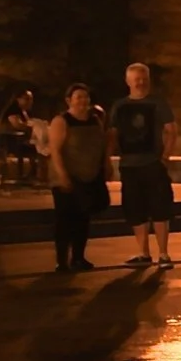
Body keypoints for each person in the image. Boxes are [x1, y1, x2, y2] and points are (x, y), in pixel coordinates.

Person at [109, 63, 178, 268]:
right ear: (128, 81)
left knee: (160, 207)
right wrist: (108, 158)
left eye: (144, 78)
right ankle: (143, 253)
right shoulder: (119, 106)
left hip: (152, 163)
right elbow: (112, 134)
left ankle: (163, 254)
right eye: (136, 79)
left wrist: (165, 157)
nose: (140, 82)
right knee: (134, 208)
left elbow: (171, 130)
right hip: (129, 165)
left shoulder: (158, 103)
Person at [43, 82, 110, 272]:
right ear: (68, 100)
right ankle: (61, 260)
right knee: (65, 219)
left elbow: (102, 143)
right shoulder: (61, 121)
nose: (83, 101)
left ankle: (79, 257)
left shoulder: (95, 119)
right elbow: (55, 150)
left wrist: (105, 165)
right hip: (67, 177)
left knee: (83, 218)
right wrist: (63, 175)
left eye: (85, 97)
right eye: (78, 97)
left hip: (90, 175)